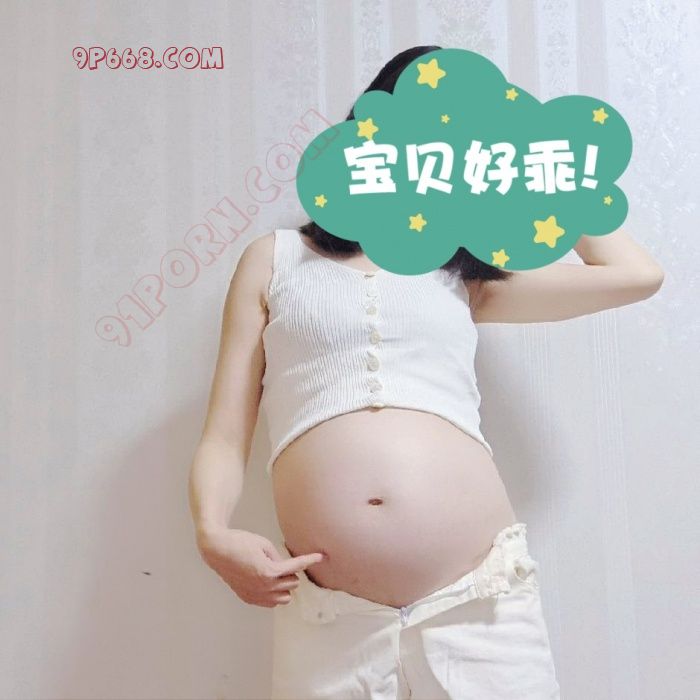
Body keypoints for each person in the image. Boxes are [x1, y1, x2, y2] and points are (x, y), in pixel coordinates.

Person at [188, 45, 664, 700]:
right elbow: (223, 434)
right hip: (331, 619)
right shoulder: (276, 259)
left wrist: (538, 153)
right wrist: (212, 533)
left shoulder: (466, 278)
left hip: (480, 606)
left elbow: (636, 275)